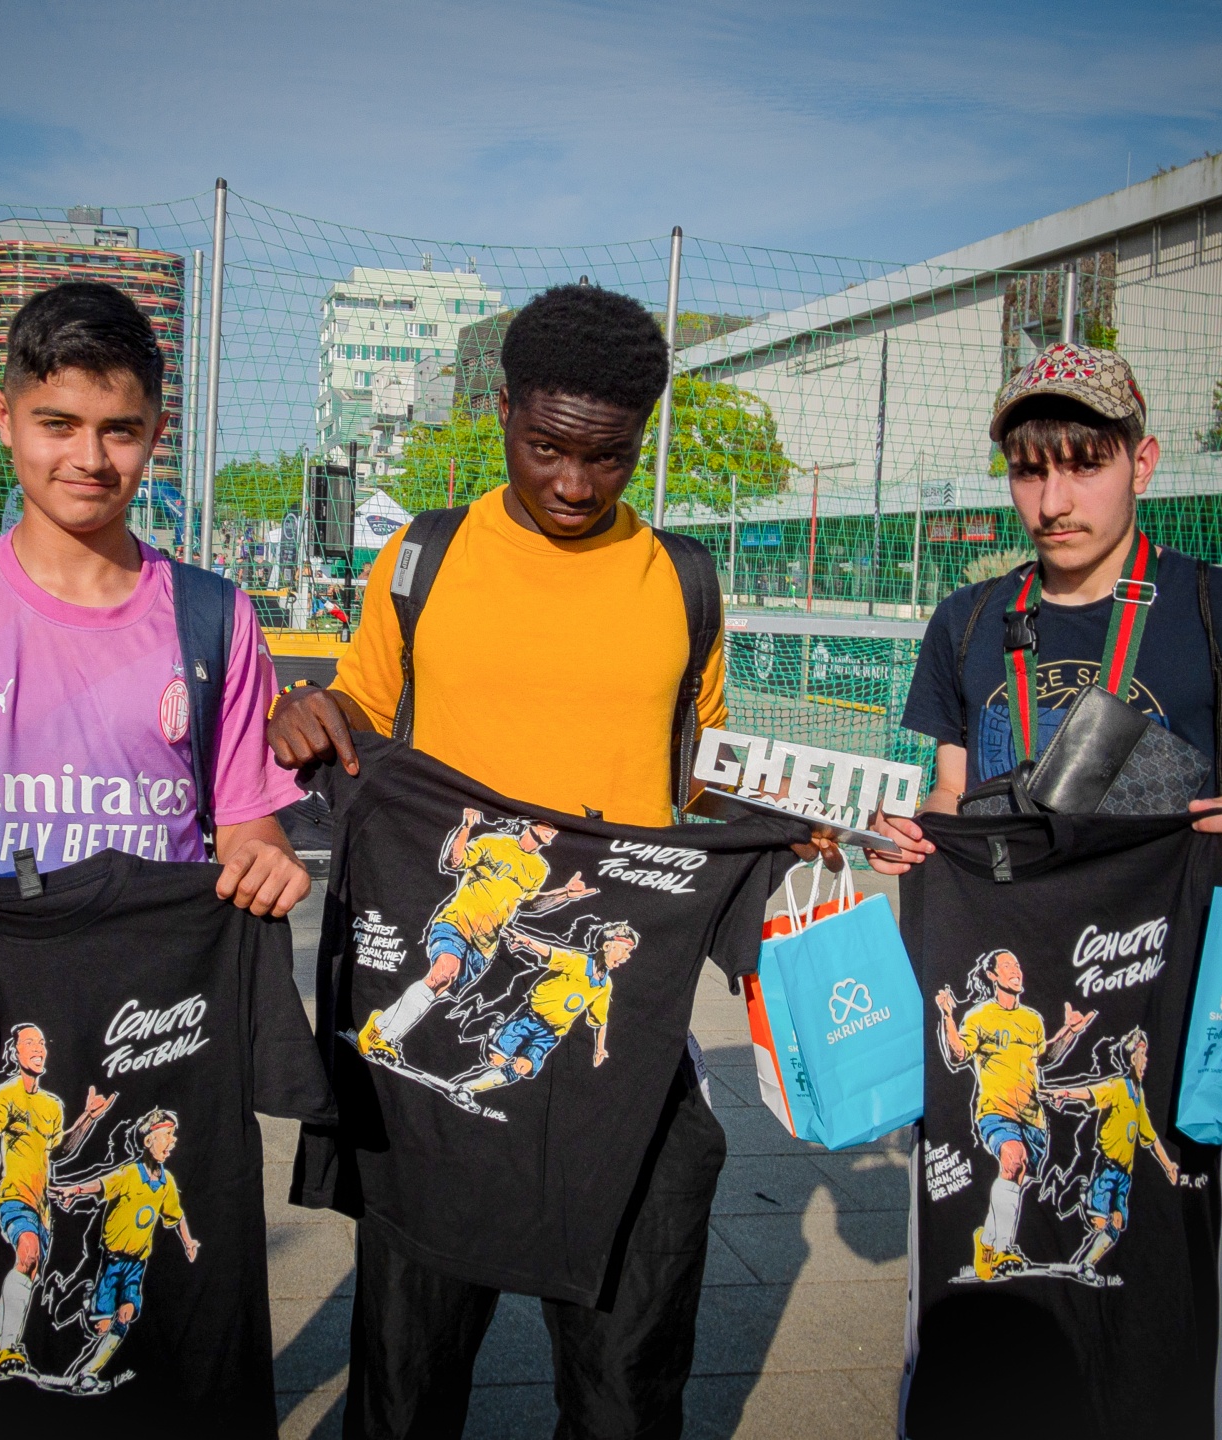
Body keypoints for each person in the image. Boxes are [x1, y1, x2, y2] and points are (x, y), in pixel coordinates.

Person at [267, 283, 826, 1439]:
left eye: (607, 457)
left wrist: (795, 823)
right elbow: (358, 707)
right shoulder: (426, 558)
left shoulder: (682, 581)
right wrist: (305, 712)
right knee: (405, 1390)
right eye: (547, 448)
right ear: (504, 411)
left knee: (626, 1396)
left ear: (642, 439)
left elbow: (700, 777)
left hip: (621, 1034)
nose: (574, 483)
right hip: (443, 1064)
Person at [0, 280, 309, 918]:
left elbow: (248, 826)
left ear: (157, 434)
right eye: (58, 424)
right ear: (5, 418)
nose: (89, 459)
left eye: (119, 430)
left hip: (158, 968)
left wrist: (266, 861)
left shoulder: (217, 618)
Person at [871, 341, 1222, 880]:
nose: (1052, 504)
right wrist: (912, 834)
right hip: (1003, 926)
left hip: (1160, 927)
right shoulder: (964, 618)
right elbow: (951, 791)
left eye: (1084, 466)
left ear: (1141, 465)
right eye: (1029, 471)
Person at [356, 807, 591, 1062]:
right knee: (443, 973)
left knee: (438, 987)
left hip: (484, 947)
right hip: (455, 924)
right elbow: (453, 862)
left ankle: (378, 1027)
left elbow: (530, 905)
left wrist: (565, 894)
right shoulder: (493, 842)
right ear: (530, 822)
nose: (552, 831)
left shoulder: (539, 869)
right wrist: (466, 827)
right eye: (548, 825)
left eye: (555, 829)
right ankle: (386, 1039)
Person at [934, 949, 1095, 1281]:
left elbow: (1046, 1058)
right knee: (1013, 1160)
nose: (1015, 971)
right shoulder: (980, 1016)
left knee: (1016, 1177)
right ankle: (1004, 1249)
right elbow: (958, 1054)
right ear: (993, 976)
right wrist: (947, 1015)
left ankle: (987, 1245)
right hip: (995, 1111)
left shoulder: (1032, 1019)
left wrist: (1069, 1031)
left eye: (1017, 965)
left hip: (1033, 1118)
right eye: (1007, 966)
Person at [0, 1023, 112, 1381]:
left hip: (42, 1207)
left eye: (41, 1043)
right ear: (15, 1052)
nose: (38, 1049)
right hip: (14, 1195)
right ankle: (8, 1348)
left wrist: (88, 1118)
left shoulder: (51, 1105)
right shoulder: (7, 1093)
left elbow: (61, 1150)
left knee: (28, 1270)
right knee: (28, 1255)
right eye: (29, 1043)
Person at [50, 1108, 201, 1394]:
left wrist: (188, 1241)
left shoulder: (166, 1183)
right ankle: (87, 1300)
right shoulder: (129, 1174)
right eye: (167, 1135)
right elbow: (101, 1183)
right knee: (101, 1326)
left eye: (174, 1135)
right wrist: (74, 1190)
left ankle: (88, 1372)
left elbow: (176, 1215)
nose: (173, 1141)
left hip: (136, 1264)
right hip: (113, 1261)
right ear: (148, 1140)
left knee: (126, 1314)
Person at [1044, 1027, 1182, 1284]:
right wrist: (1065, 1093)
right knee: (1100, 1223)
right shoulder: (1117, 1087)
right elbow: (1091, 1091)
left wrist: (1168, 1165)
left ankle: (1086, 1264)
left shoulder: (1138, 1096)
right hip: (1107, 1169)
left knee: (1116, 1225)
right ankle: (1083, 1196)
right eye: (1143, 1054)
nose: (1146, 1060)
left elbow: (1150, 1137)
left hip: (1124, 1176)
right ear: (1132, 1057)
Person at [457, 919, 639, 1094]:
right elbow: (551, 952)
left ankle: (467, 1089)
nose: (627, 956)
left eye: (630, 952)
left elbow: (600, 1020)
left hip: (550, 1034)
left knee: (523, 1067)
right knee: (495, 1060)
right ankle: (494, 1027)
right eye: (625, 950)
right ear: (607, 946)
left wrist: (599, 1048)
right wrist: (527, 941)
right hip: (528, 1019)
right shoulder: (577, 961)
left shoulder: (605, 985)